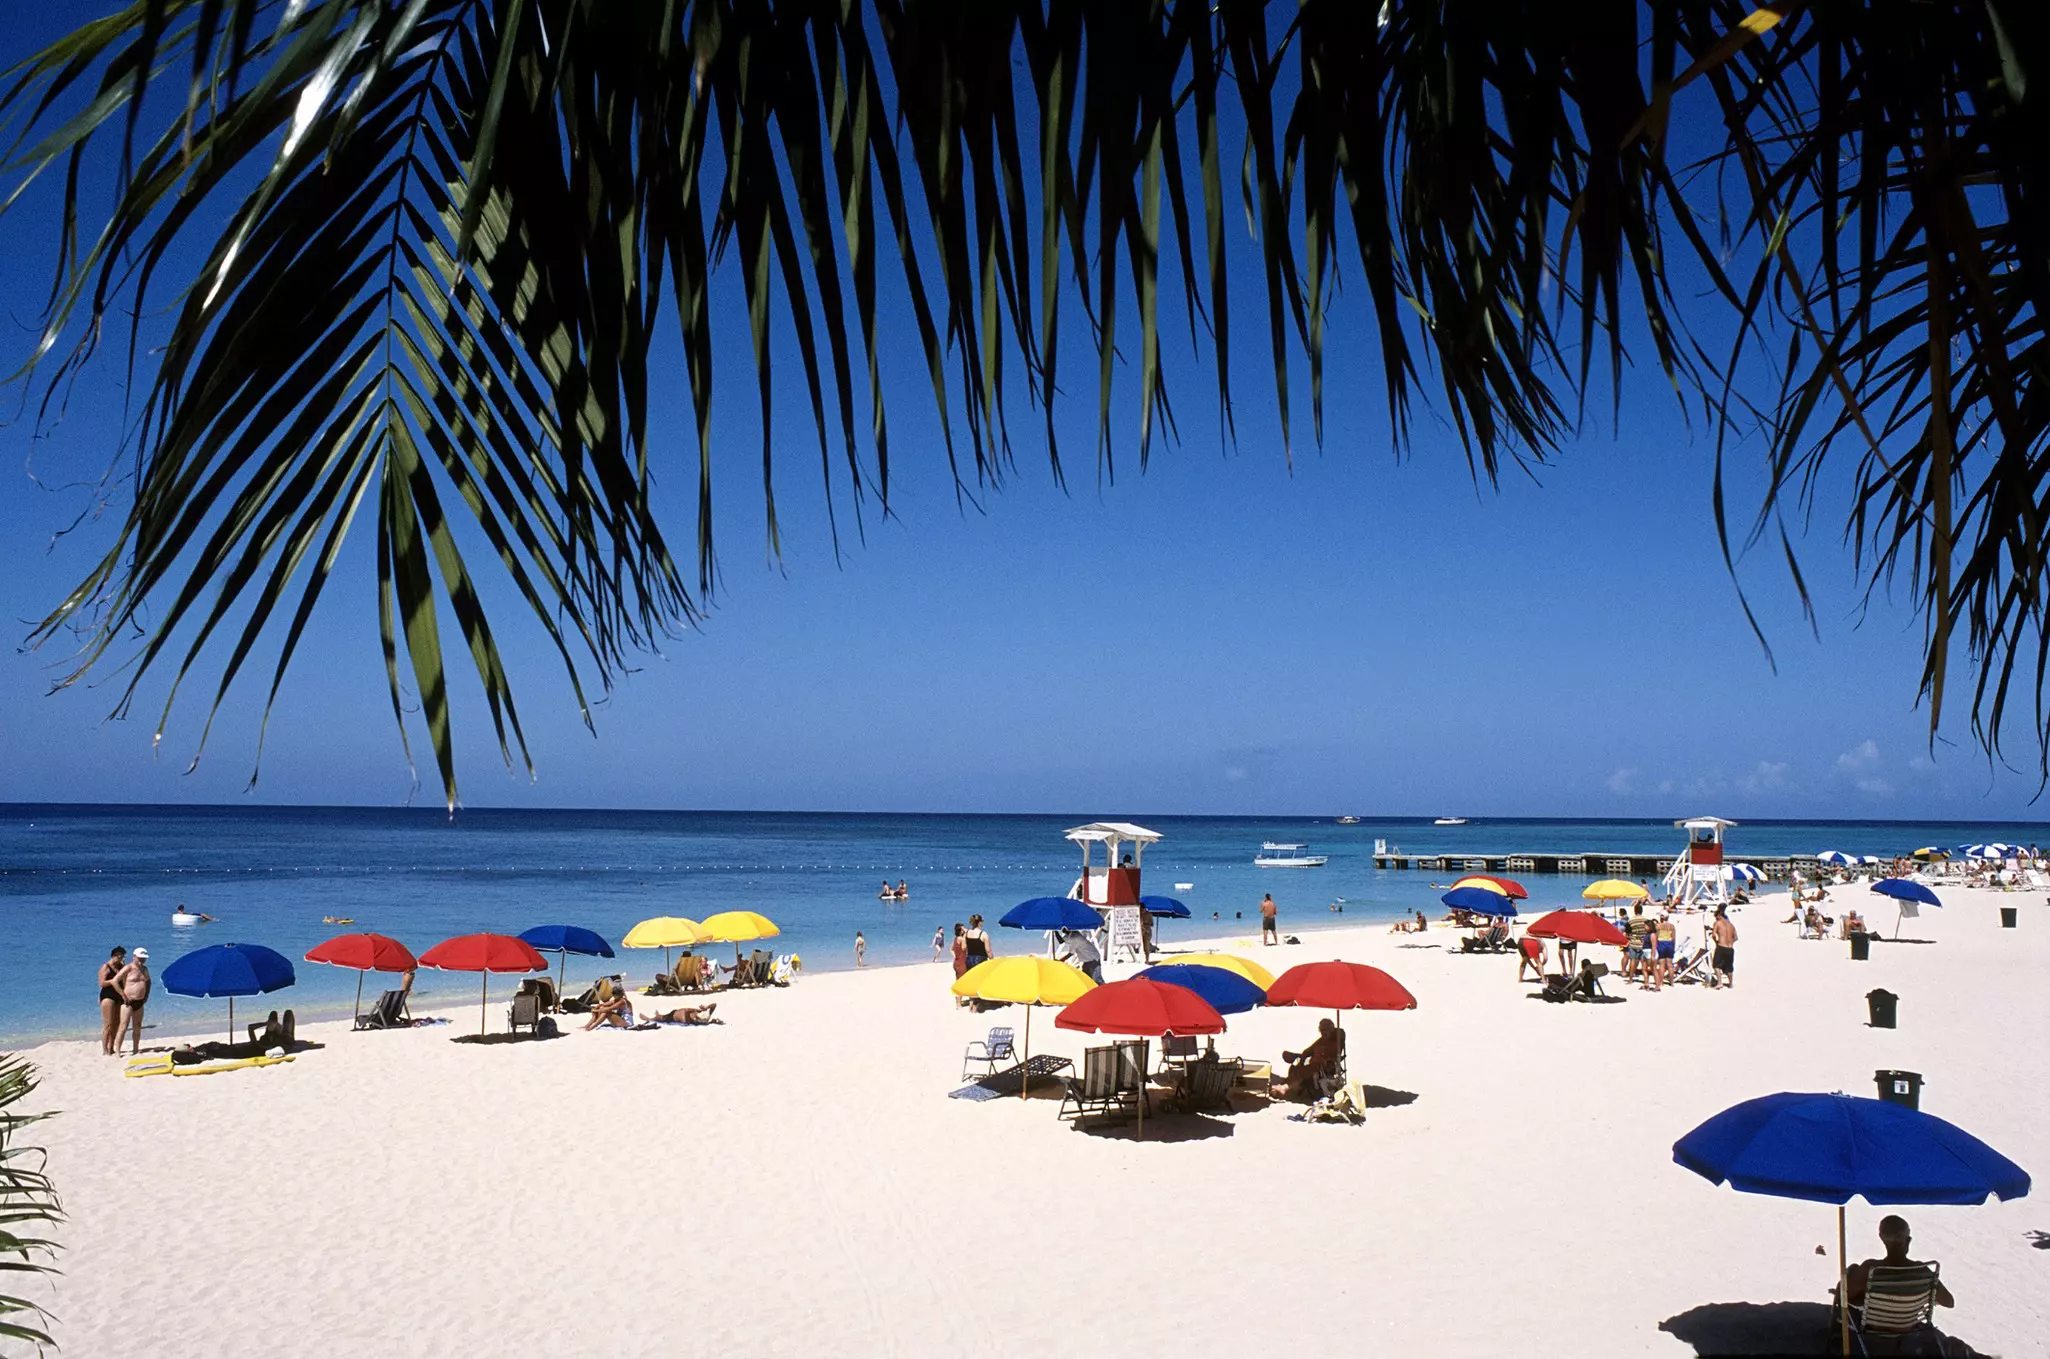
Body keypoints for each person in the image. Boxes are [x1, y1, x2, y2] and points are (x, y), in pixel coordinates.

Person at [1845, 1214, 1954, 1319]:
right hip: (1910, 1332)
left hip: (1874, 1333)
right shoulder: (1921, 1270)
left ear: (1881, 1238)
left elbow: (1844, 1295)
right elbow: (1949, 1302)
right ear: (1907, 1240)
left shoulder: (1870, 1269)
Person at [1272, 1018, 1344, 1101]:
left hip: (1325, 1066)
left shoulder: (1336, 1040)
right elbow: (1309, 1050)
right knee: (1295, 1063)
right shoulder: (1321, 1040)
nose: (1323, 1032)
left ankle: (1285, 1087)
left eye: (1325, 1030)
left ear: (1331, 1029)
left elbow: (1331, 1055)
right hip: (1314, 1062)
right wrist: (1302, 1058)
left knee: (1307, 1069)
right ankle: (1287, 1082)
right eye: (1321, 1030)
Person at [115, 948, 151, 1055]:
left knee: (137, 1026)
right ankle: (118, 1051)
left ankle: (136, 1049)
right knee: (123, 1026)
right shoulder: (128, 968)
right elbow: (115, 981)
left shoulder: (144, 969)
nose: (142, 960)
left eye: (143, 958)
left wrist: (146, 995)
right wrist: (123, 995)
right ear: (134, 956)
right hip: (128, 1002)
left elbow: (148, 982)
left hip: (140, 1001)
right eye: (140, 958)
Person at [97, 946, 127, 1056]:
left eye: (123, 957)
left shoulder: (121, 966)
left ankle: (111, 1047)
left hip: (119, 995)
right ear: (114, 956)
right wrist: (114, 981)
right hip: (108, 995)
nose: (122, 959)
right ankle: (104, 1049)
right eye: (120, 957)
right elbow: (102, 983)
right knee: (108, 1025)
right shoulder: (106, 967)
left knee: (117, 1023)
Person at [1711, 906, 1737, 990]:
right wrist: (1730, 942)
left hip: (1721, 946)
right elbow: (1735, 937)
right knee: (1729, 967)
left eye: (1716, 917)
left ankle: (1719, 983)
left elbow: (1714, 935)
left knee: (1716, 965)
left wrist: (1716, 942)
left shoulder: (1717, 923)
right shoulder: (1731, 925)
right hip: (1730, 948)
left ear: (1719, 916)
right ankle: (1730, 984)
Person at [1652, 912, 1676, 990]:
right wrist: (1673, 947)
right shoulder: (1671, 926)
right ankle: (1672, 982)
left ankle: (1661, 982)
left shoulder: (1658, 926)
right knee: (1670, 964)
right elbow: (1673, 938)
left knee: (1662, 964)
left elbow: (1656, 936)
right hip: (1669, 944)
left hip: (1661, 943)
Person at [646, 1002, 720, 1025]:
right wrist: (706, 1008)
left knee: (662, 1018)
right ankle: (657, 1015)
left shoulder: (690, 1020)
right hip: (676, 1012)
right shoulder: (705, 1016)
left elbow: (687, 1010)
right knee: (662, 1016)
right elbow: (714, 1005)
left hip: (673, 1016)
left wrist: (698, 1010)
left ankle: (649, 1018)